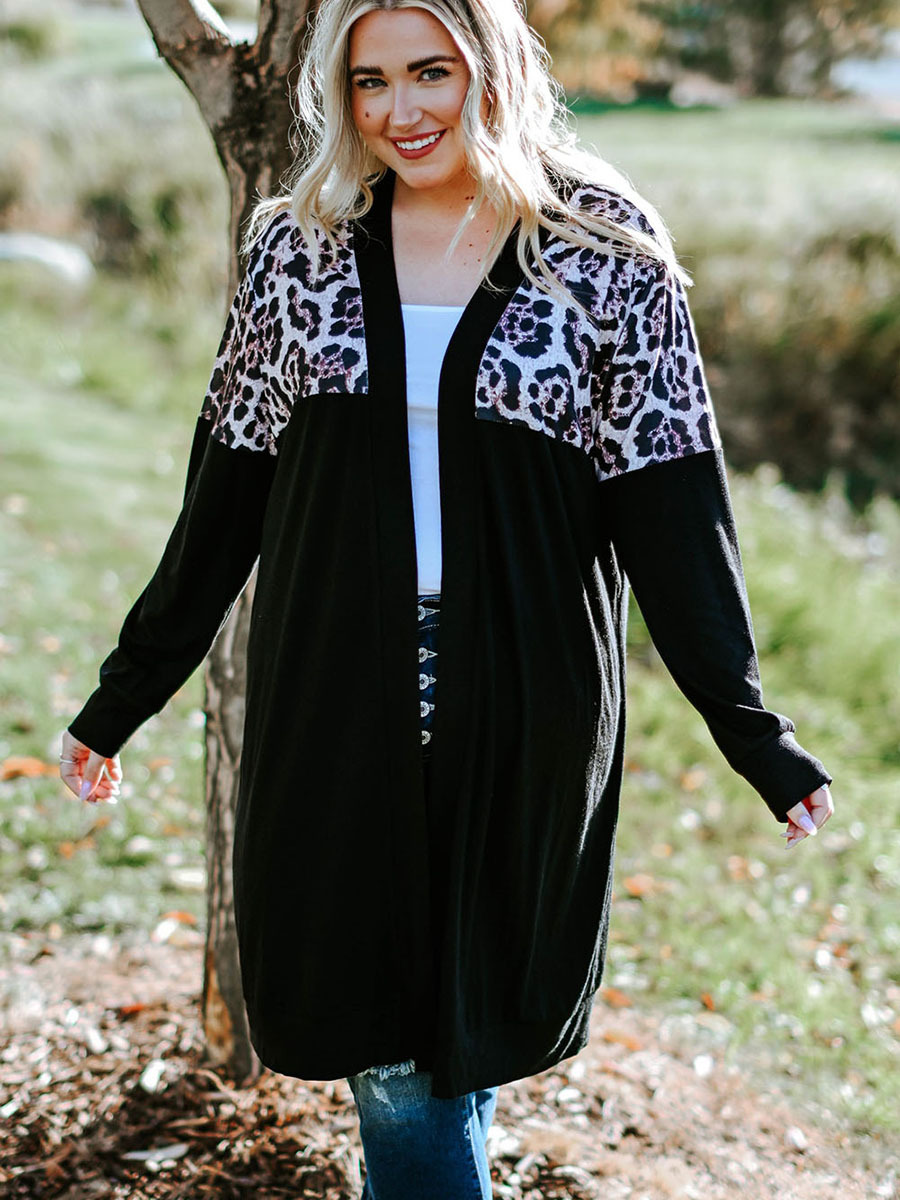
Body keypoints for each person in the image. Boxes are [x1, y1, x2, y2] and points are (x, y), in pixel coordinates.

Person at [60, 0, 835, 1195]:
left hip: (524, 693)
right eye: (370, 82)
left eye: (432, 72)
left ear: (495, 68)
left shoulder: (604, 252)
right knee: (389, 1047)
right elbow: (225, 500)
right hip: (335, 687)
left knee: (455, 1030)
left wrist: (752, 731)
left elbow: (675, 512)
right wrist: (125, 696)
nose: (400, 110)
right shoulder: (299, 249)